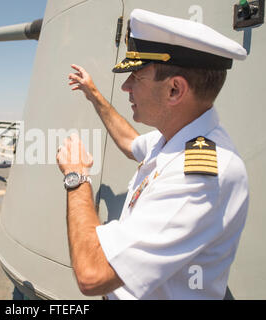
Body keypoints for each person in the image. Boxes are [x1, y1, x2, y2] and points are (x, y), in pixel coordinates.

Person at [56, 9, 249, 299]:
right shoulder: (179, 138)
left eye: (136, 76)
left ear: (174, 90)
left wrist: (77, 176)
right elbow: (131, 142)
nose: (126, 86)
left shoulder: (201, 175)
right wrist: (94, 95)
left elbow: (92, 274)